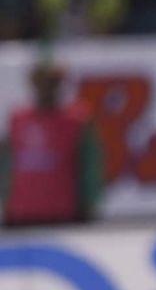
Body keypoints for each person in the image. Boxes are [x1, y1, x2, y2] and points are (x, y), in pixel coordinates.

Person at [1, 60, 104, 227]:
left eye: (52, 82)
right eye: (41, 82)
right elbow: (6, 164)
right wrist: (5, 202)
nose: (46, 88)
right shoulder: (18, 119)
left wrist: (90, 204)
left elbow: (91, 166)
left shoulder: (76, 120)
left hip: (63, 214)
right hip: (20, 215)